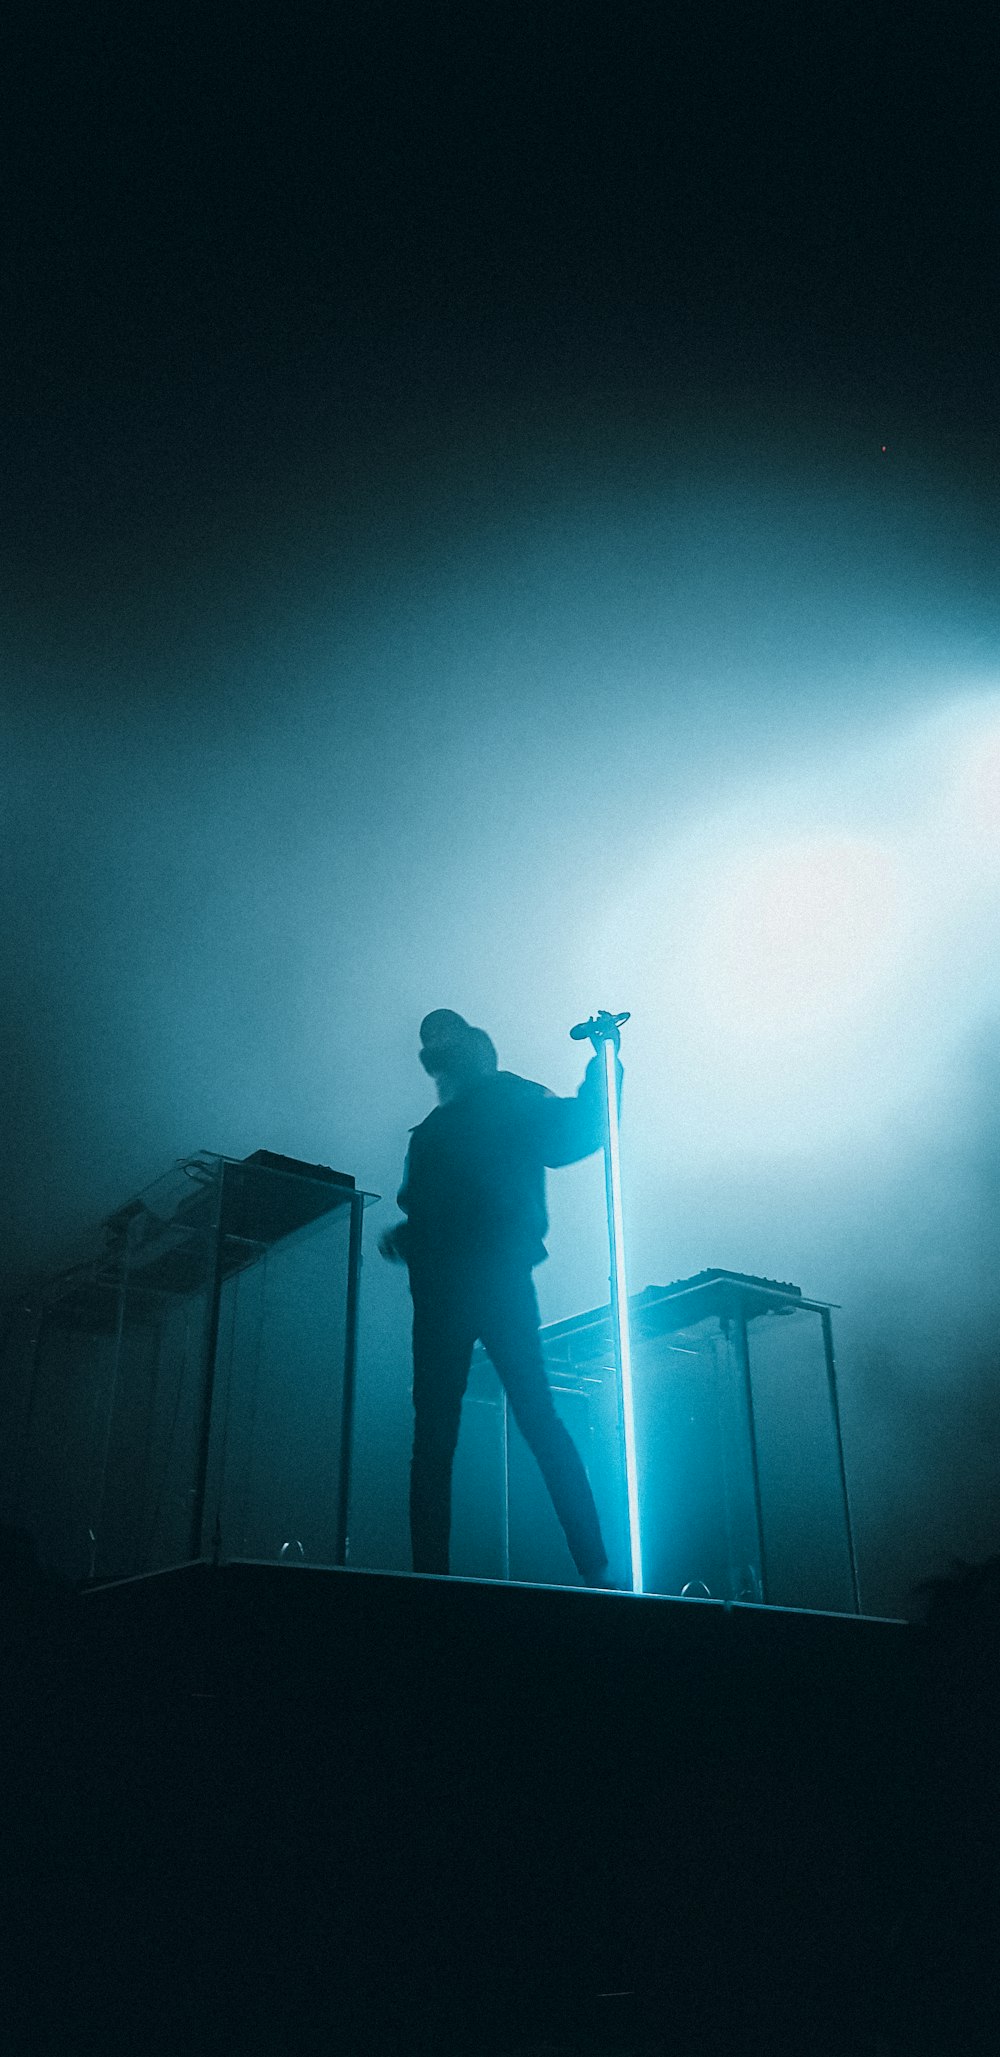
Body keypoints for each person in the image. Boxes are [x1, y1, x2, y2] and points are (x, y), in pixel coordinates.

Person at [379, 1009, 619, 1587]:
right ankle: (594, 1568)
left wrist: (604, 1064)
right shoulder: (460, 1120)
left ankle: (435, 1576)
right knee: (522, 1423)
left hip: (468, 1286)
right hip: (479, 1284)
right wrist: (603, 1063)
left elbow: (577, 1132)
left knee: (448, 1435)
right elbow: (577, 1132)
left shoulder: (460, 1121)